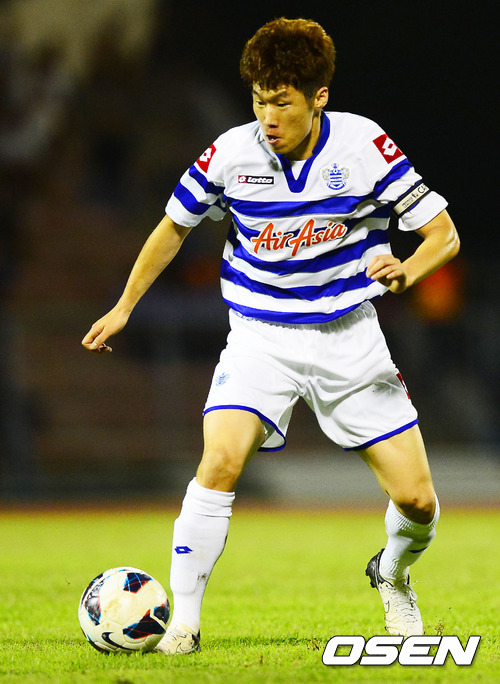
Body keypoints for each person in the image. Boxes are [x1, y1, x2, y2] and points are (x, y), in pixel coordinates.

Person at [82, 17, 460, 653]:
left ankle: (393, 574)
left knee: (418, 501)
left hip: (349, 338)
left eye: (282, 102)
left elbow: (442, 234)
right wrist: (125, 306)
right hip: (260, 336)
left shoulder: (364, 146)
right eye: (259, 101)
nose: (268, 117)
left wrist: (408, 271)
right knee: (219, 462)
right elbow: (173, 227)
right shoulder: (231, 153)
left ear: (319, 97)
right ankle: (184, 624)